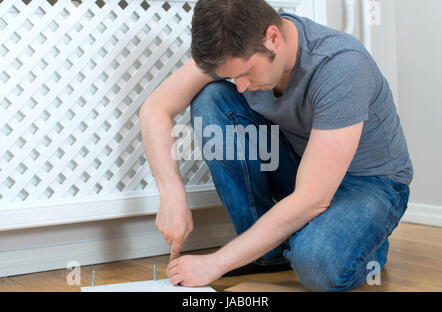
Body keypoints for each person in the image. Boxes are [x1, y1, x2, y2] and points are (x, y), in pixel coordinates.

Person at [139, 0, 413, 292]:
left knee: (319, 265)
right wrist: (172, 196)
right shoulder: (237, 41)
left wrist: (216, 263)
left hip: (369, 183)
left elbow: (313, 197)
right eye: (233, 76)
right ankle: (269, 254)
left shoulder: (341, 65)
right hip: (302, 165)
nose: (240, 86)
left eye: (245, 73)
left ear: (272, 38)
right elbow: (155, 108)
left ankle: (366, 246)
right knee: (212, 99)